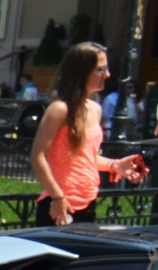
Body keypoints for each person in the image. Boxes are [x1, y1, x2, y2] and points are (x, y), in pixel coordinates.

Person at [32, 39, 148, 224]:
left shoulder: (95, 108)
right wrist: (56, 196)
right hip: (60, 205)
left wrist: (115, 165)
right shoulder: (60, 109)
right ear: (81, 71)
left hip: (88, 202)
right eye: (101, 69)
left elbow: (85, 158)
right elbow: (37, 156)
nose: (108, 74)